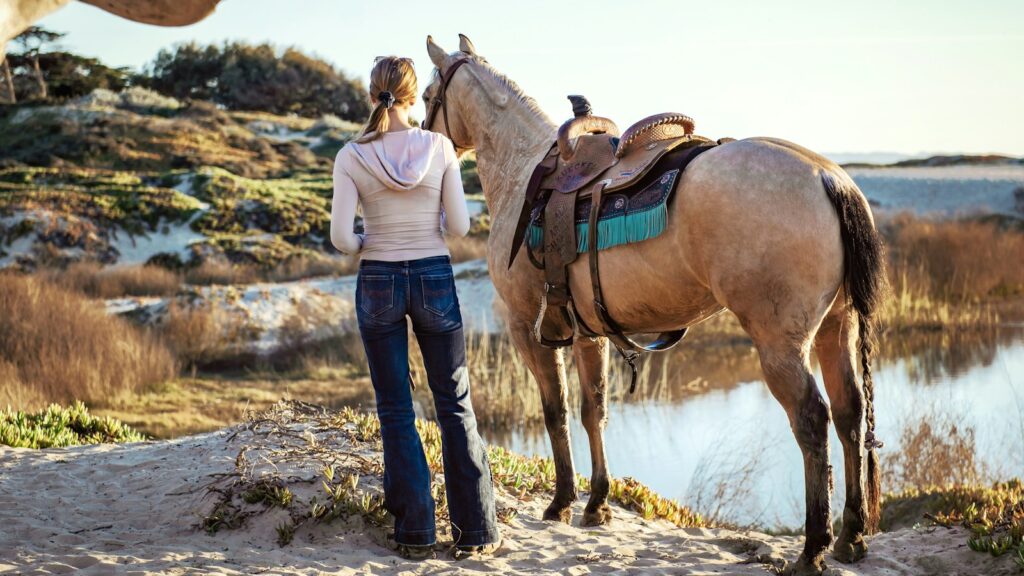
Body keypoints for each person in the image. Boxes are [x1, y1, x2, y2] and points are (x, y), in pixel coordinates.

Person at [329, 55, 500, 560]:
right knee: (455, 403)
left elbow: (341, 238)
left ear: (371, 95)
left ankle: (416, 534)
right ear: (411, 96)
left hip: (379, 278)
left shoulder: (350, 155)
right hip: (434, 276)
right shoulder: (441, 147)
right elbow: (462, 226)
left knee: (396, 409)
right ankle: (476, 533)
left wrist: (370, 241)